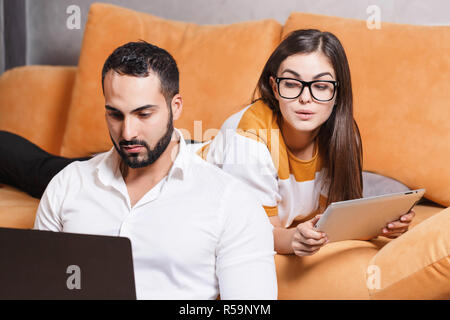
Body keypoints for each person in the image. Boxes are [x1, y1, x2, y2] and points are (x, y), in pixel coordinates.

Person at [31, 41, 277, 299]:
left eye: (144, 114)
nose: (128, 133)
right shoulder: (67, 184)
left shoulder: (231, 202)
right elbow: (38, 286)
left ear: (176, 106)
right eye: (115, 115)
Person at [197, 29, 416, 256]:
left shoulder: (342, 137)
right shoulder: (249, 140)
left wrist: (383, 225)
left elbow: (332, 220)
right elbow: (254, 235)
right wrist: (294, 239)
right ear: (275, 87)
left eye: (321, 86)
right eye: (291, 83)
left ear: (337, 95)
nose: (305, 97)